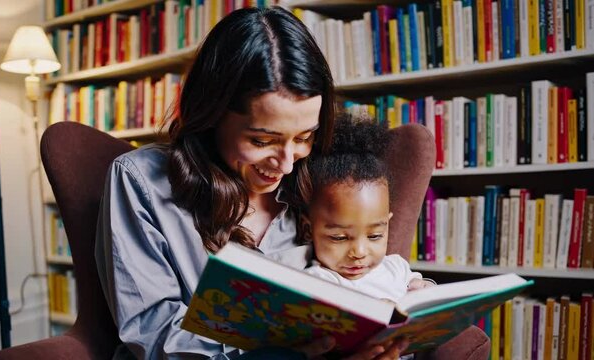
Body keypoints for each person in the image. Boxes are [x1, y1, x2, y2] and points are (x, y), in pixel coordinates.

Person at [94, 6, 407, 360]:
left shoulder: (324, 182)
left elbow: (363, 274)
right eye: (261, 141)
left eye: (304, 137)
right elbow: (153, 335)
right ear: (211, 115)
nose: (287, 164)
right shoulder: (140, 181)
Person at [301, 118, 435, 303]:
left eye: (375, 236)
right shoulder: (319, 280)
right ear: (309, 230)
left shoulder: (396, 267)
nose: (359, 252)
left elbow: (420, 287)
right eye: (340, 237)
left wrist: (425, 288)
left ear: (387, 224)